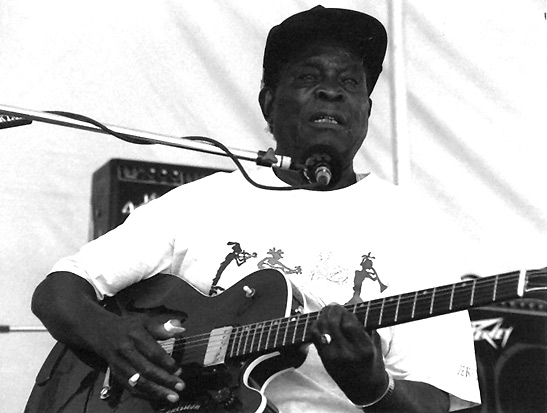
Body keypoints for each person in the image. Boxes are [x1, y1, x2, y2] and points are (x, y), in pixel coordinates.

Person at [28, 5, 481, 412]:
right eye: (308, 78)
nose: (331, 92)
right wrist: (113, 338)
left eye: (349, 82)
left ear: (365, 110)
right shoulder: (202, 202)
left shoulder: (412, 227)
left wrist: (372, 387)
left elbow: (431, 402)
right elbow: (58, 291)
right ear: (268, 103)